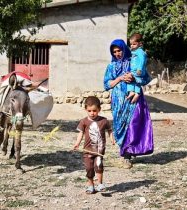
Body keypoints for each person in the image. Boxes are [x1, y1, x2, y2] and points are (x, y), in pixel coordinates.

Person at [103, 39, 153, 169]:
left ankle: (127, 155)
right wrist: (120, 78)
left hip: (133, 100)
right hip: (118, 102)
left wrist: (134, 77)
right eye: (114, 52)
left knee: (133, 125)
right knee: (120, 126)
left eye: (119, 50)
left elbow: (146, 78)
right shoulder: (111, 66)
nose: (117, 54)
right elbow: (106, 84)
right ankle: (125, 151)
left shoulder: (133, 61)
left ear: (124, 49)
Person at [73, 96, 114, 194]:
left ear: (99, 109)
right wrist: (77, 144)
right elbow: (81, 133)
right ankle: (90, 185)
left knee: (99, 166)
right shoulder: (84, 121)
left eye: (94, 110)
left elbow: (110, 130)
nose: (92, 113)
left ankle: (100, 184)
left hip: (99, 150)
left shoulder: (104, 121)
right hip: (88, 150)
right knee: (89, 168)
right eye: (89, 111)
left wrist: (112, 139)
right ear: (86, 110)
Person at [126, 33, 150, 103]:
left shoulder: (140, 51)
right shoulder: (134, 51)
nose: (132, 46)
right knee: (134, 81)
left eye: (134, 44)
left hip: (138, 70)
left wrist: (139, 69)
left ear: (139, 43)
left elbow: (142, 60)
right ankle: (135, 92)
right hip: (135, 70)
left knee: (133, 80)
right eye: (131, 44)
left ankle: (134, 92)